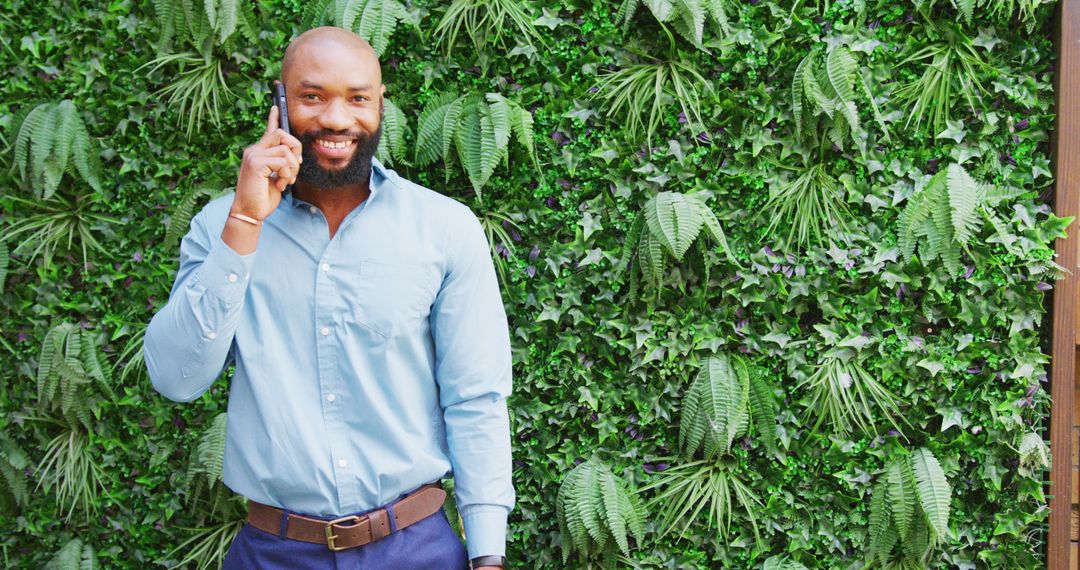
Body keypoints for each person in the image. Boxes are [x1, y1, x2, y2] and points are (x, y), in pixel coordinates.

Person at [144, 26, 513, 570]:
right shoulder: (219, 228)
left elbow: (475, 400)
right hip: (273, 552)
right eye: (312, 96)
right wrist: (245, 222)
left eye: (358, 98)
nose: (337, 119)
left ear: (380, 104)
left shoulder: (445, 229)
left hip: (417, 549)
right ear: (280, 102)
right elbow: (175, 378)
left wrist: (488, 555)